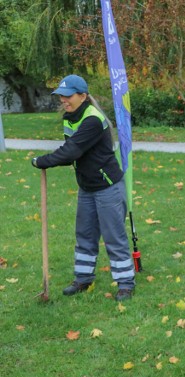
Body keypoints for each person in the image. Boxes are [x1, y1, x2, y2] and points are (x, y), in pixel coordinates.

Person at [30, 74, 136, 301]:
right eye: (61, 97)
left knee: (113, 236)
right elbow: (70, 153)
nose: (63, 101)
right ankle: (83, 278)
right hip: (87, 187)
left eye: (68, 96)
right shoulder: (70, 118)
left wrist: (42, 161)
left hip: (107, 187)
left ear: (83, 96)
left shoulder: (92, 119)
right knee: (85, 234)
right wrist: (50, 159)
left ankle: (126, 282)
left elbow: (72, 151)